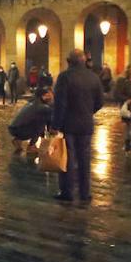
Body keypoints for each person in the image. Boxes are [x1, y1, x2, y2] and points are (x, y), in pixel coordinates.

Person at [51, 50, 104, 203]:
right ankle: (84, 192)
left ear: (69, 61)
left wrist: (55, 125)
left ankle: (67, 191)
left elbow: (60, 104)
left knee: (67, 159)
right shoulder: (93, 77)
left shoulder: (65, 77)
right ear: (84, 61)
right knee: (84, 159)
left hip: (68, 125)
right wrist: (88, 112)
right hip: (86, 125)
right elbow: (100, 101)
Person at [8, 87, 52, 154]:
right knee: (41, 124)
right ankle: (31, 146)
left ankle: (18, 140)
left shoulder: (32, 103)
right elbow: (51, 115)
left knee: (37, 121)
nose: (50, 98)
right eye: (47, 95)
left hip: (13, 128)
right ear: (42, 96)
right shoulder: (41, 107)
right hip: (20, 130)